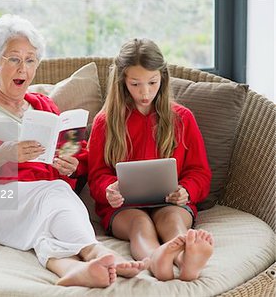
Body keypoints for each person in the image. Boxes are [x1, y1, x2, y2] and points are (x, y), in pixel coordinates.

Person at [0, 15, 147, 288]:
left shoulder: (44, 107)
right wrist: (4, 154)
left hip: (33, 199)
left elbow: (77, 157)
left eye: (30, 60)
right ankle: (95, 251)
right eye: (14, 59)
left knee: (50, 203)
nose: (23, 68)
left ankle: (69, 268)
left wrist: (72, 166)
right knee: (53, 193)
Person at [87, 38, 214, 281]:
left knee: (174, 223)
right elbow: (97, 175)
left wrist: (187, 191)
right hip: (124, 208)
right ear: (122, 82)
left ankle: (184, 260)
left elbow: (200, 172)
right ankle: (158, 261)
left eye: (152, 82)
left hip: (172, 203)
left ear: (163, 79)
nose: (145, 92)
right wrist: (108, 190)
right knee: (140, 226)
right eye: (135, 84)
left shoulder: (182, 118)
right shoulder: (106, 122)